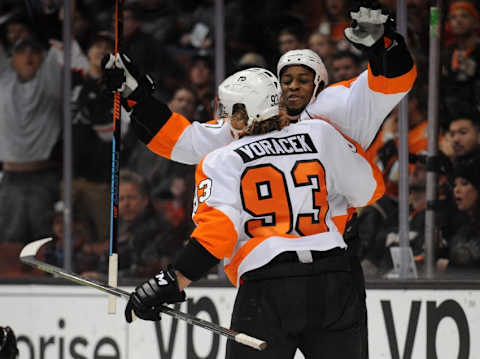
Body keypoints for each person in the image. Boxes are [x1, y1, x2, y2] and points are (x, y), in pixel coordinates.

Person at [102, 2, 416, 357]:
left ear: (321, 82)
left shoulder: (328, 109)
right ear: (274, 91)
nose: (294, 87)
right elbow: (183, 139)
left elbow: (387, 85)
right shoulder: (318, 132)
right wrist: (137, 98)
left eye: (303, 79)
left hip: (272, 281)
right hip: (332, 267)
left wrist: (385, 47)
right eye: (287, 80)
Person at [125, 67, 385, 359]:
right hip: (336, 279)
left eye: (228, 112)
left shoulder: (222, 159)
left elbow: (218, 233)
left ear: (242, 114)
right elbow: (370, 189)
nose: (225, 120)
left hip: (269, 288)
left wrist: (170, 282)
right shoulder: (320, 133)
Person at [0, 37, 62, 244]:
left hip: (43, 176)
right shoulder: (4, 80)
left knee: (43, 239)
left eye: (34, 52)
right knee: (9, 237)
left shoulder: (50, 83)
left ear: (42, 59)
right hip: (9, 175)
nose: (28, 57)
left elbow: (60, 52)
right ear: (11, 59)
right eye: (21, 52)